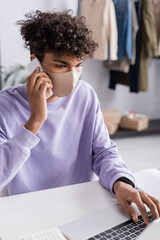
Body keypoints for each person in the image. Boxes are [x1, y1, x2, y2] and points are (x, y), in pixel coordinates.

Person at [0, 10, 160, 226]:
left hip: (82, 207)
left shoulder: (85, 94)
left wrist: (121, 183)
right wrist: (35, 121)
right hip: (30, 212)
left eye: (78, 65)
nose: (73, 76)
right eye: (60, 65)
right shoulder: (5, 104)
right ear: (34, 61)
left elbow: (103, 152)